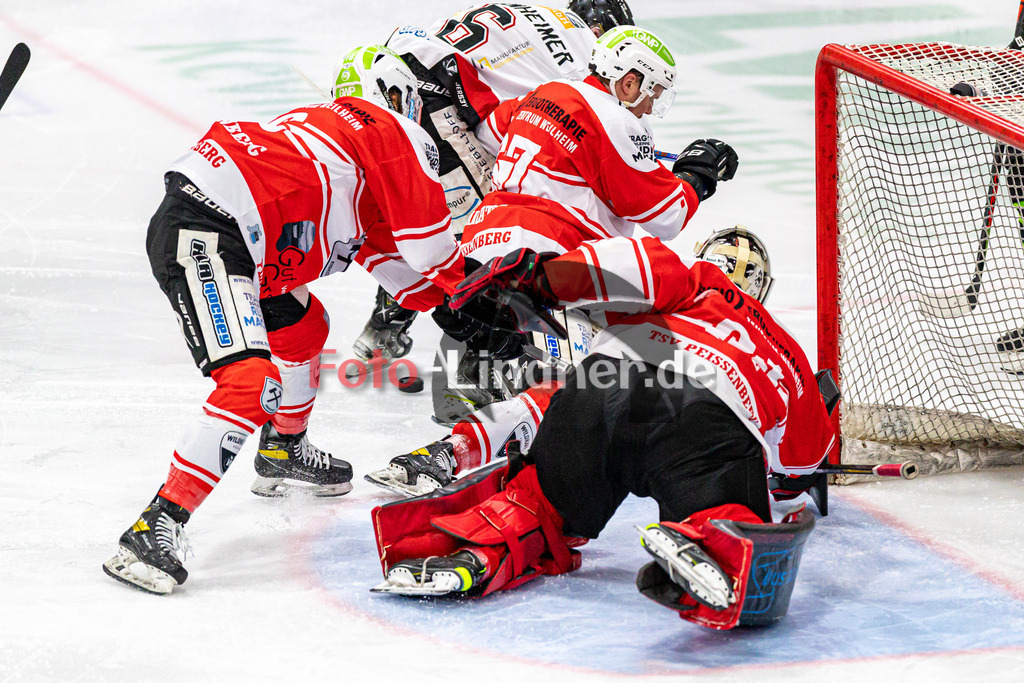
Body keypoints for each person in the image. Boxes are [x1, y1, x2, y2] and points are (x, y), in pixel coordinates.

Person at [102, 45, 465, 595]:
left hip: (225, 236)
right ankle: (155, 526)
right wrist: (489, 297)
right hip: (207, 235)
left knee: (304, 327)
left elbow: (406, 278)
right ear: (397, 97)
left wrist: (453, 301)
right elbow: (437, 257)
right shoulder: (391, 134)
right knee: (251, 381)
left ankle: (282, 448)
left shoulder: (342, 155)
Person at [369, 233, 835, 630]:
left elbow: (634, 263)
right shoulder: (786, 353)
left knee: (540, 506)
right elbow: (803, 463)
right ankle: (712, 537)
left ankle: (482, 549)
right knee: (726, 505)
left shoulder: (696, 281)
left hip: (598, 389)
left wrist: (540, 277)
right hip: (699, 415)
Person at [364, 25, 740, 493]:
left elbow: (492, 127)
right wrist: (696, 176)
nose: (651, 106)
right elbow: (664, 214)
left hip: (482, 251)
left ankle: (477, 426)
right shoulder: (616, 118)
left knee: (550, 383)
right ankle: (450, 454)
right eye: (653, 92)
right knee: (591, 387)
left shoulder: (544, 93)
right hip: (549, 264)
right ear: (628, 81)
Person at [370, 227, 773, 497]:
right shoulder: (767, 341)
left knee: (563, 399)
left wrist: (541, 281)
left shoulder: (677, 281)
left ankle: (452, 454)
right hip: (676, 455)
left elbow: (614, 270)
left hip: (613, 407)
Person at [351, 1, 631, 364]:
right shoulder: (585, 51)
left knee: (424, 219)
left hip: (401, 76)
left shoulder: (540, 13)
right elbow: (558, 126)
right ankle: (474, 369)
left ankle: (385, 330)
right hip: (437, 97)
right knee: (491, 229)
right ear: (602, 32)